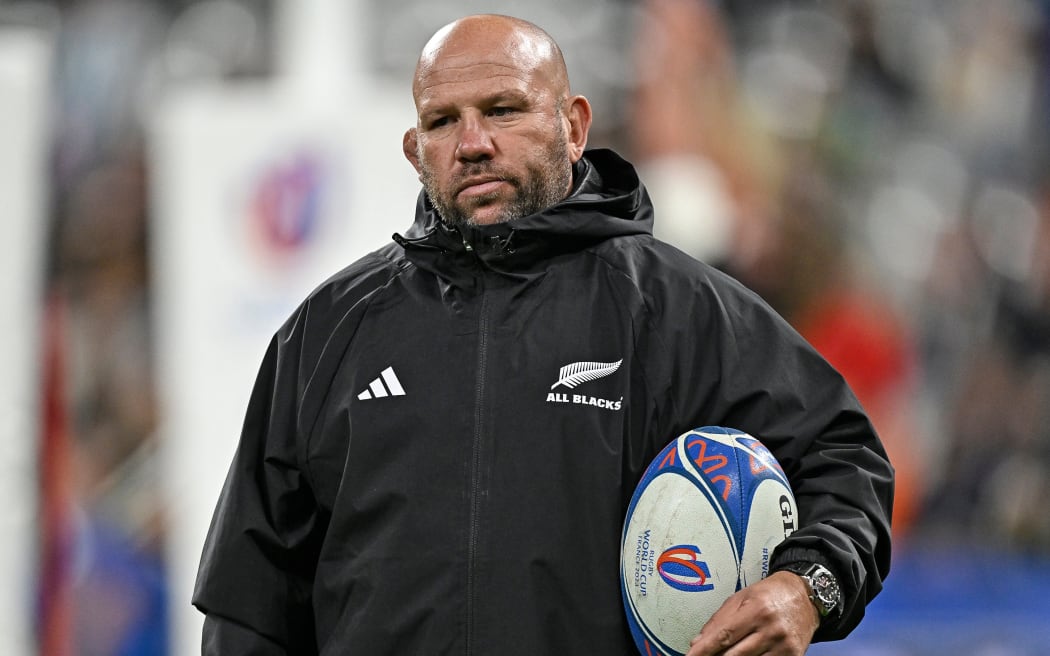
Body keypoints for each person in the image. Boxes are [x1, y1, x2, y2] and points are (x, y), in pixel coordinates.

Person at [192, 14, 893, 656]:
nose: (472, 143)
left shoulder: (675, 311)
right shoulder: (328, 332)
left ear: (574, 125)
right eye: (443, 121)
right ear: (414, 150)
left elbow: (842, 456)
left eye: (503, 110)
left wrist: (808, 588)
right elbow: (248, 605)